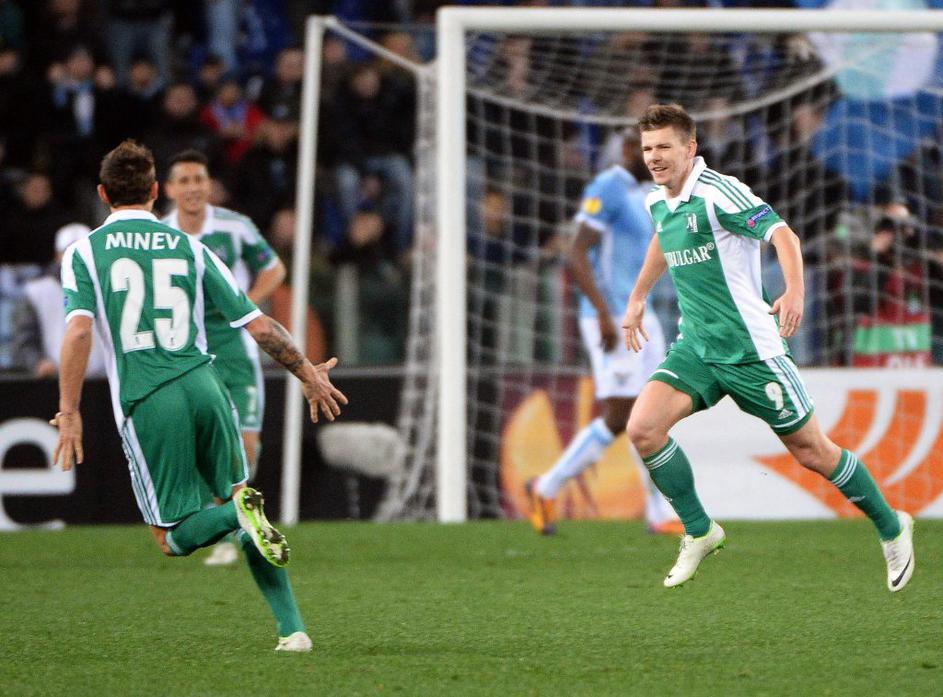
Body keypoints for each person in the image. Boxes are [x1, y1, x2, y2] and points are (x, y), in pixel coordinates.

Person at [51, 140, 347, 651]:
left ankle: (236, 516)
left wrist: (69, 410)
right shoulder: (189, 246)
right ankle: (292, 629)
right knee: (242, 500)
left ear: (102, 194)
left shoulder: (84, 252)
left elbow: (78, 332)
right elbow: (258, 325)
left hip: (149, 397)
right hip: (207, 386)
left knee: (171, 538)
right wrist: (306, 373)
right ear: (155, 191)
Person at [621, 104, 915, 591]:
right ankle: (700, 530)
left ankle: (891, 526)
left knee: (812, 451)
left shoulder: (719, 192)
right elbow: (663, 239)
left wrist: (794, 291)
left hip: (752, 350)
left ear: (690, 148)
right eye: (648, 147)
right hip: (698, 348)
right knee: (644, 430)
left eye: (664, 146)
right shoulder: (659, 199)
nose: (654, 156)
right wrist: (637, 298)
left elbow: (782, 233)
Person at [524, 133, 681, 537]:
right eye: (648, 150)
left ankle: (657, 513)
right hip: (611, 315)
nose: (655, 158)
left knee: (652, 412)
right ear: (629, 151)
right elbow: (576, 252)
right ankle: (546, 487)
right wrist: (602, 315)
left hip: (641, 313)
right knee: (620, 414)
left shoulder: (643, 193)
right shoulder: (608, 186)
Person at [162, 148, 287, 566]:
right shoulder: (161, 235)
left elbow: (274, 268)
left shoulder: (235, 227)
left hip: (235, 349)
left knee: (247, 442)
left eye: (199, 179)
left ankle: (237, 527)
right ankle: (224, 531)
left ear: (209, 184)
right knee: (200, 443)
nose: (193, 187)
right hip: (186, 349)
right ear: (169, 189)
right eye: (184, 180)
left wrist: (244, 304)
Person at [12, 223, 107, 378]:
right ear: (57, 255)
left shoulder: (108, 286)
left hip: (103, 379)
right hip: (55, 379)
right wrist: (38, 362)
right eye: (68, 251)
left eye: (83, 252)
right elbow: (24, 340)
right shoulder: (37, 291)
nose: (77, 258)